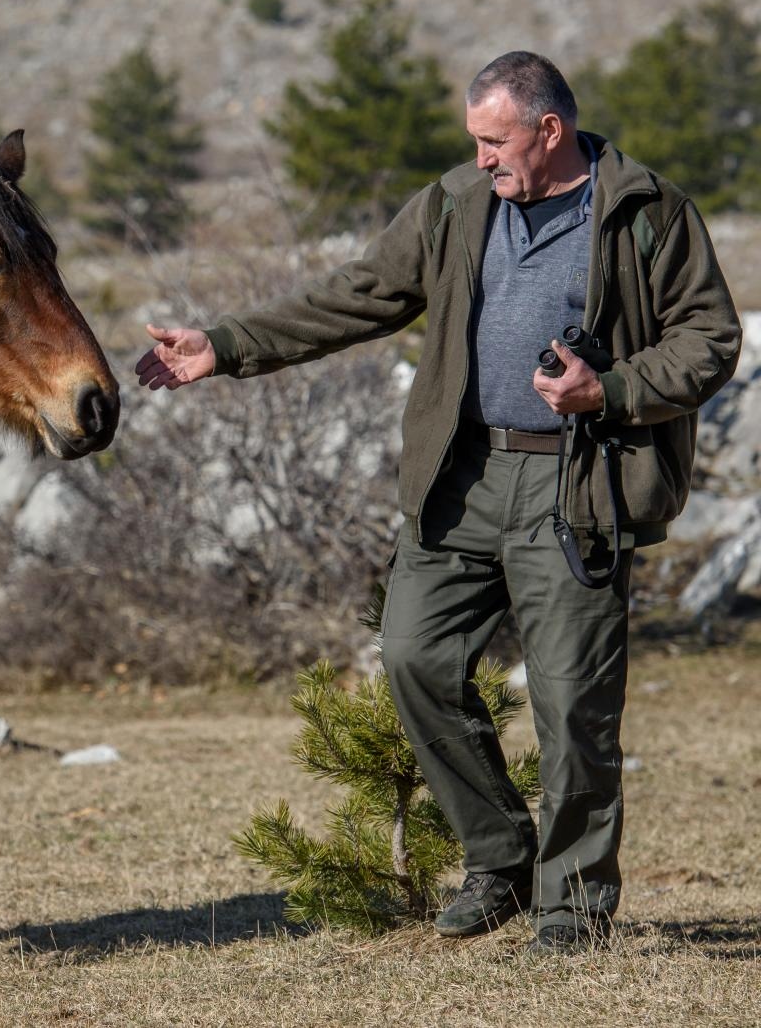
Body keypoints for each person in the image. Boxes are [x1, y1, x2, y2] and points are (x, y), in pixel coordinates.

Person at [135, 51, 740, 952]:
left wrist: (607, 391)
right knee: (415, 656)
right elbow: (362, 294)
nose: (483, 159)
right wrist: (226, 345)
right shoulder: (456, 203)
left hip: (576, 480)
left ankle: (572, 906)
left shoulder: (649, 211)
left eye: (496, 141)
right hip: (459, 479)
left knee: (573, 707)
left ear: (549, 130)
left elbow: (711, 339)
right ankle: (500, 857)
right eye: (475, 142)